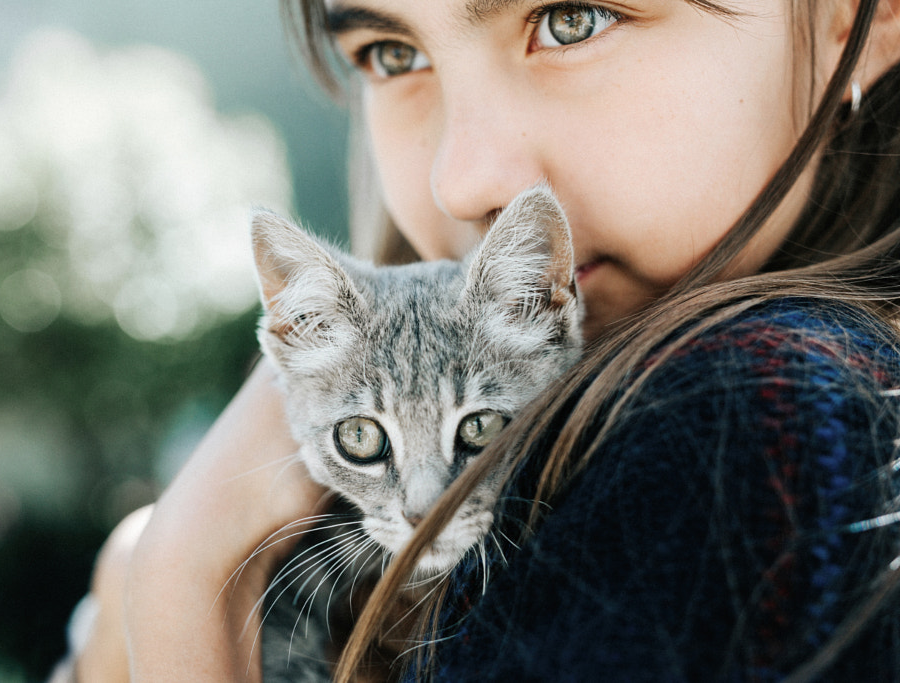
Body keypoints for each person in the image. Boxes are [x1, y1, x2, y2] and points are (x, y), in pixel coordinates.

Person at [62, 0, 900, 680]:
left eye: (572, 18)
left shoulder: (747, 412)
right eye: (392, 54)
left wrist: (179, 572)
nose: (462, 181)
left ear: (860, 17)